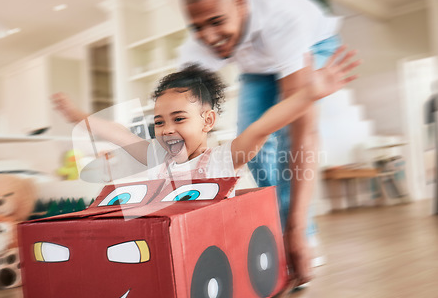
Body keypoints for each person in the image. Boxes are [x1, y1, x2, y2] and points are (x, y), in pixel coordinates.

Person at [179, 0, 351, 284]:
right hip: (257, 65)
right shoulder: (196, 49)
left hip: (312, 44)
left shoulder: (282, 17)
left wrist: (295, 230)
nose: (207, 36)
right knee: (251, 150)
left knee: (287, 146)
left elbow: (302, 132)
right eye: (197, 27)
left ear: (240, 1)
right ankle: (286, 230)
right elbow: (182, 118)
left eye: (217, 21)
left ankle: (300, 236)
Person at [52, 54, 358, 199]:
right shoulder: (156, 156)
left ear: (207, 121)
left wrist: (309, 94)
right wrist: (79, 116)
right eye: (159, 122)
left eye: (179, 119)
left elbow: (262, 127)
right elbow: (118, 134)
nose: (167, 129)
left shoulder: (224, 159)